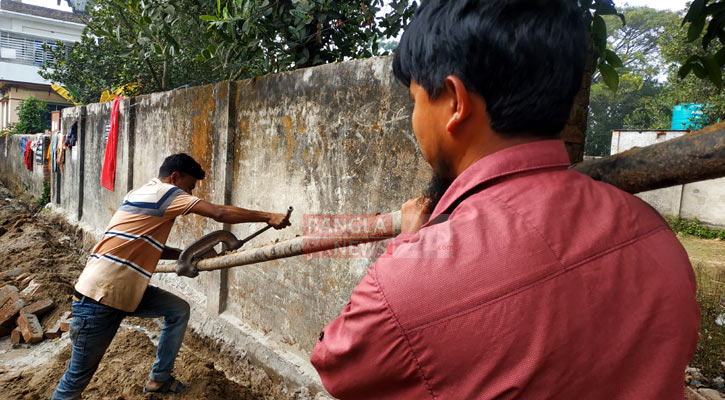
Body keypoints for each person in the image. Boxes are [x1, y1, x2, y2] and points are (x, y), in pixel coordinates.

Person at [310, 0, 700, 398]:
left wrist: (408, 243)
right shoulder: (656, 236)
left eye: (414, 100)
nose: (414, 118)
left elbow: (336, 365)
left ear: (455, 102)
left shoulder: (406, 286)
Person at [52, 153, 290, 399]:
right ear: (175, 177)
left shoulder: (139, 193)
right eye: (189, 187)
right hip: (98, 299)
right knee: (75, 380)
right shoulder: (166, 193)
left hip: (120, 291)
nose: (189, 193)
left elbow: (146, 244)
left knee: (177, 310)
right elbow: (218, 213)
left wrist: (186, 255)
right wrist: (268, 217)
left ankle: (159, 379)